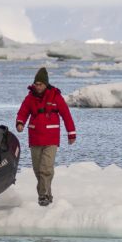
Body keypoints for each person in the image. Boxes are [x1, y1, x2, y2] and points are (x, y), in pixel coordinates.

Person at [16, 67, 77, 206]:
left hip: (51, 139)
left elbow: (66, 116)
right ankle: (47, 195)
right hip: (35, 138)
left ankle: (42, 196)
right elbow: (23, 112)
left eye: (40, 84)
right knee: (38, 169)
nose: (38, 87)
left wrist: (71, 133)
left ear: (46, 84)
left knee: (46, 169)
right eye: (36, 84)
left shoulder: (56, 96)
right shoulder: (30, 97)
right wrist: (20, 123)